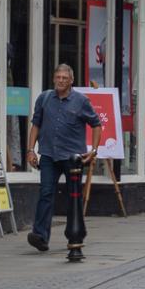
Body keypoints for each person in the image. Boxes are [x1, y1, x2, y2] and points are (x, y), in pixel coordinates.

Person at [24, 63, 103, 253]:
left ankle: (75, 235)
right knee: (46, 193)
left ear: (71, 81)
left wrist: (93, 151)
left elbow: (96, 124)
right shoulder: (44, 99)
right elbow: (36, 124)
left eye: (64, 78)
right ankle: (41, 236)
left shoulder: (81, 101)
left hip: (72, 157)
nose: (60, 81)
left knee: (73, 197)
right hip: (49, 154)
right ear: (53, 78)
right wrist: (30, 150)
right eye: (58, 77)